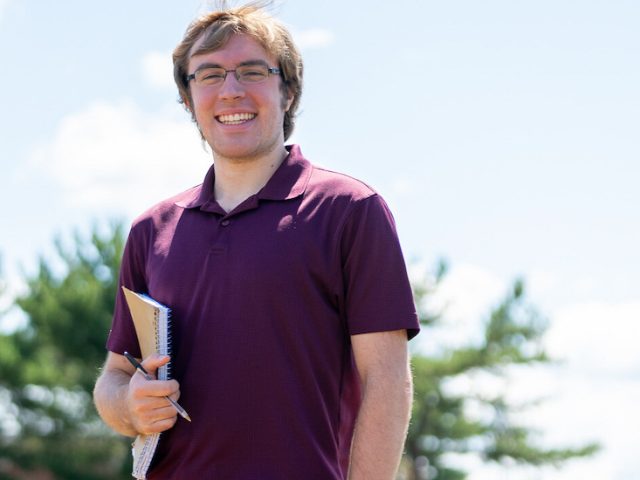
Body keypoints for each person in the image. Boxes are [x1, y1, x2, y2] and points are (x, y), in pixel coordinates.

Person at [93, 3, 419, 479]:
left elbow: (386, 381)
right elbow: (113, 381)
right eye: (208, 75)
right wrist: (129, 405)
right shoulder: (151, 230)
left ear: (287, 91)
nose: (231, 90)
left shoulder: (349, 209)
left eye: (251, 71)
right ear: (187, 100)